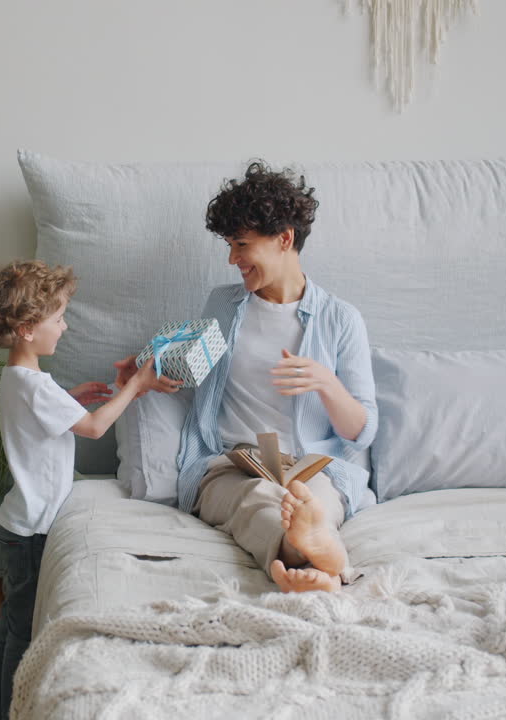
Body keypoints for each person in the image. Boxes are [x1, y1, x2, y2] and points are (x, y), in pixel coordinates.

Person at [114, 160, 378, 593]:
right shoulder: (223, 305)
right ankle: (317, 557)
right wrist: (146, 370)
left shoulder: (341, 320)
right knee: (255, 502)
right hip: (231, 463)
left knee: (315, 502)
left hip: (312, 470)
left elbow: (362, 433)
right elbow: (191, 370)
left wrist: (326, 384)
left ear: (284, 239)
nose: (232, 259)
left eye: (240, 245)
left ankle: (310, 554)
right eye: (229, 246)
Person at [0, 259, 158, 720]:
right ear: (29, 329)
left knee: (8, 627)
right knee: (23, 633)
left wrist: (69, 399)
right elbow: (93, 429)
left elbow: (42, 425)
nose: (65, 325)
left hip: (19, 523)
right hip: (33, 531)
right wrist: (134, 388)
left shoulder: (19, 378)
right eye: (57, 318)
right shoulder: (34, 385)